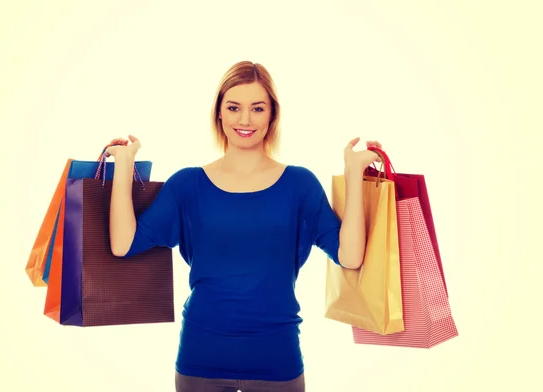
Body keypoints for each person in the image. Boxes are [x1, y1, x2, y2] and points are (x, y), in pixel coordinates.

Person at [105, 61, 382, 392]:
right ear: (219, 114)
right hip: (200, 360)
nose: (245, 119)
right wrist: (124, 166)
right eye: (234, 107)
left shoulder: (300, 184)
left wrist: (353, 174)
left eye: (257, 108)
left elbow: (350, 257)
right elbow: (123, 244)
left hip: (277, 361)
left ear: (272, 116)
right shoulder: (187, 185)